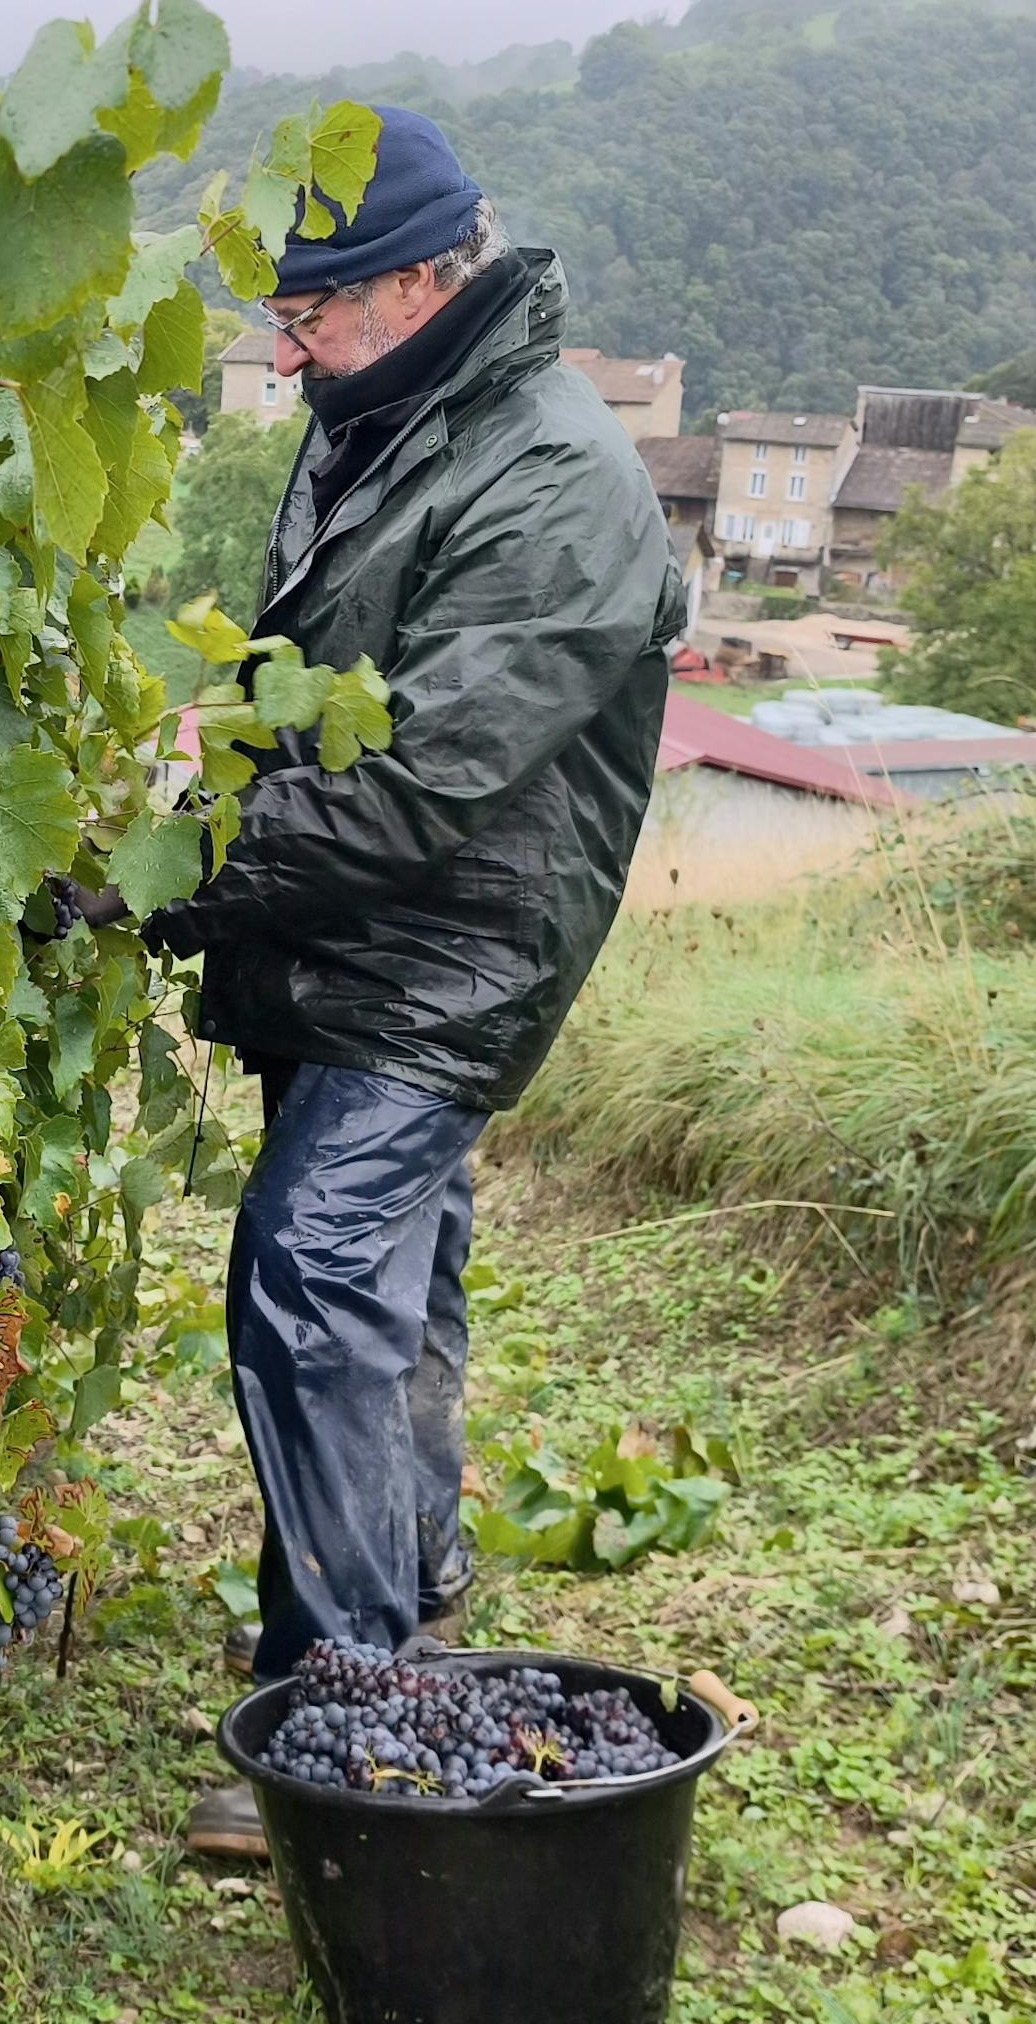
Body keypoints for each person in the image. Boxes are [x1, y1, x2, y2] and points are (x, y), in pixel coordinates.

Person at [124, 111, 686, 1855]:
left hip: (456, 942)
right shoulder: (380, 409)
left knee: (308, 1278)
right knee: (393, 1281)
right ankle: (415, 1579)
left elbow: (425, 780)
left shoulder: (553, 475)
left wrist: (168, 880)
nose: (286, 348)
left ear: (433, 278)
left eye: (317, 312)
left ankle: (356, 1701)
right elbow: (328, 669)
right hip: (351, 922)